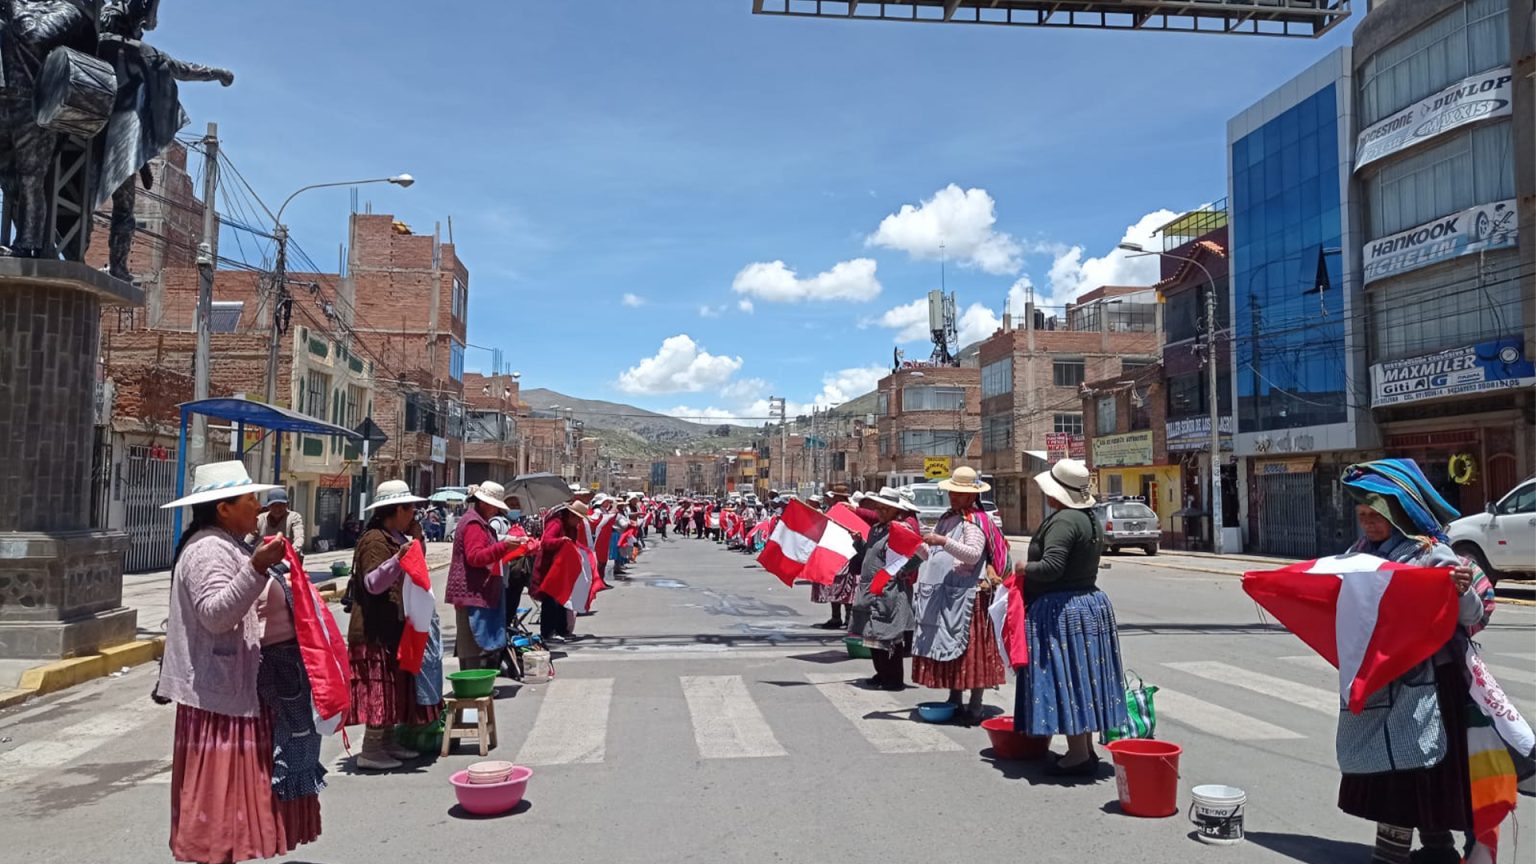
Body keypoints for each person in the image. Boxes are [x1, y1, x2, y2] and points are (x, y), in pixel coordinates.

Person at [154, 461, 323, 864]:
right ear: (224, 508)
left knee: (237, 806)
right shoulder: (207, 550)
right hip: (221, 700)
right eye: (250, 499)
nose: (258, 506)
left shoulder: (230, 543)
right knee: (223, 805)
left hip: (244, 690)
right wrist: (257, 567)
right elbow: (215, 614)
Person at [1335, 459, 1497, 864]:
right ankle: (1436, 849)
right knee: (1399, 765)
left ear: (1397, 513)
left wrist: (1460, 590)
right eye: (1362, 515)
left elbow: (1472, 615)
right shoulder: (1358, 554)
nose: (1368, 524)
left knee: (1419, 767)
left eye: (1376, 515)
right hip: (1383, 678)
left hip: (1432, 680)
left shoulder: (1429, 554)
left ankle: (1408, 854)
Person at [1013, 458, 1127, 777]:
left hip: (1062, 609)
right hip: (1088, 602)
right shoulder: (1089, 518)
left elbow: (1052, 567)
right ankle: (1084, 750)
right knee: (1084, 676)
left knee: (1068, 678)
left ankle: (1077, 754)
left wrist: (1023, 568)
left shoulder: (1064, 521)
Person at [344, 480, 436, 771]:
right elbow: (373, 583)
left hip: (392, 627)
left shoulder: (396, 537)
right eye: (410, 509)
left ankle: (387, 741)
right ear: (396, 510)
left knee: (392, 687)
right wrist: (399, 558)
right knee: (378, 689)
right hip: (374, 629)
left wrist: (417, 540)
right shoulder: (375, 540)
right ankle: (371, 748)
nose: (413, 515)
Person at [911, 466, 1009, 726]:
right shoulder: (948, 518)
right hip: (948, 594)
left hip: (969, 596)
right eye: (952, 492)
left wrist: (943, 542)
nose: (953, 496)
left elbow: (973, 555)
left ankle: (975, 705)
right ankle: (954, 699)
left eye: (959, 493)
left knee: (971, 652)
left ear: (972, 495)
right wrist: (917, 544)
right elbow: (934, 556)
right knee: (951, 649)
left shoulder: (974, 522)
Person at [445, 482, 527, 670]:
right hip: (471, 593)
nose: (497, 510)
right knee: (473, 648)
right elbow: (475, 557)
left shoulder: (479, 522)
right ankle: (473, 685)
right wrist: (504, 547)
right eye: (494, 506)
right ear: (483, 503)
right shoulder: (474, 524)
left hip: (477, 592)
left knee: (476, 649)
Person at [849, 487, 923, 690]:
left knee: (889, 638)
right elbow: (870, 554)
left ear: (896, 511)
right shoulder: (875, 530)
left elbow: (918, 554)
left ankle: (894, 679)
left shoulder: (898, 531)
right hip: (870, 590)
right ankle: (881, 674)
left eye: (885, 509)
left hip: (888, 592)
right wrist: (859, 543)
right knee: (872, 635)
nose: (881, 512)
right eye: (879, 508)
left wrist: (901, 571)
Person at [533, 502, 593, 643]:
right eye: (578, 519)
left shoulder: (571, 527)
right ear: (571, 515)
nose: (579, 522)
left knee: (562, 600)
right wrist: (561, 541)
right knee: (551, 601)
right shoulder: (556, 524)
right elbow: (546, 542)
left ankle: (562, 630)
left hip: (562, 568)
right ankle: (548, 632)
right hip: (549, 568)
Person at [812, 484, 857, 630]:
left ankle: (849, 617)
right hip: (834, 550)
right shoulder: (832, 511)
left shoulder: (850, 511)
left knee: (847, 586)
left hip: (847, 552)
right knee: (834, 584)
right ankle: (836, 617)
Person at [250, 488, 305, 552]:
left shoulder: (294, 517)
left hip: (288, 554)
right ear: (268, 506)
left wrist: (293, 550)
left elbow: (299, 537)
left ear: (287, 505)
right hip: (265, 555)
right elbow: (249, 539)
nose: (277, 509)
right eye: (273, 505)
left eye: (281, 505)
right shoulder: (260, 519)